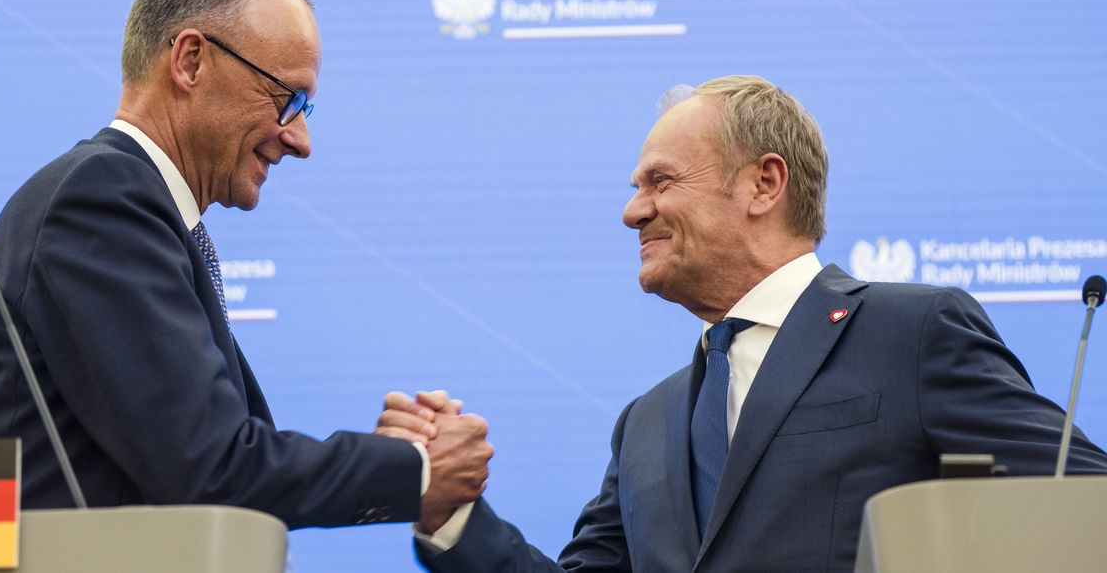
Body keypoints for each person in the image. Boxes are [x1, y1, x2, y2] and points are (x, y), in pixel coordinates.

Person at [382, 75, 1107, 571]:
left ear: (764, 183)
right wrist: (451, 514)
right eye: (635, 188)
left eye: (660, 181)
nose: (632, 211)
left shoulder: (911, 332)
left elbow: (1079, 506)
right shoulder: (647, 421)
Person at [0, 0, 492, 530]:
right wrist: (411, 471)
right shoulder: (100, 199)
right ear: (190, 61)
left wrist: (397, 462)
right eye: (289, 98)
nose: (301, 139)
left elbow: (215, 455)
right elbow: (210, 467)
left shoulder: (134, 206)